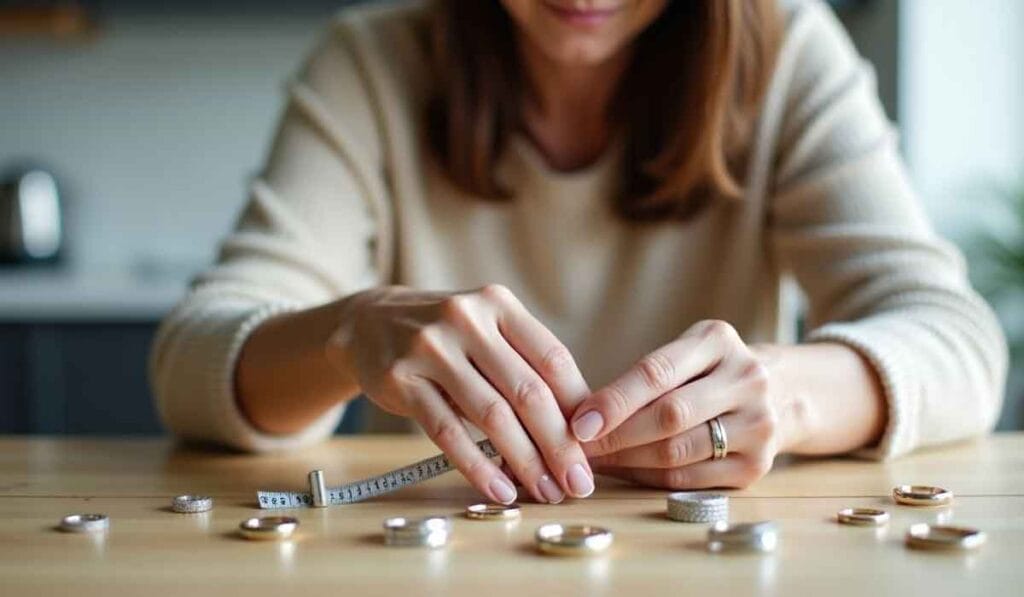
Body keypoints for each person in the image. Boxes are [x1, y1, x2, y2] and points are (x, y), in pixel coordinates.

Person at [150, 0, 1007, 506]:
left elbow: (960, 342)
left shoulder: (786, 49)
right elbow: (189, 356)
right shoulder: (369, 64)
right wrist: (346, 332)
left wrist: (787, 397)